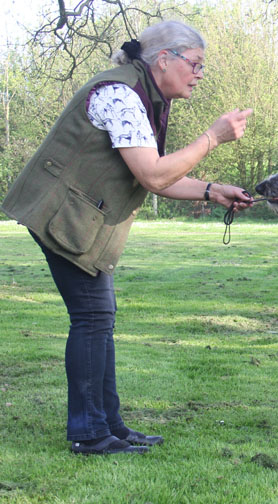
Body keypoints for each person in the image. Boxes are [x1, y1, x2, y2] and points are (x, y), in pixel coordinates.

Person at [1, 20, 253, 455]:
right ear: (163, 60)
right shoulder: (119, 94)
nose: (198, 74)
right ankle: (90, 433)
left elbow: (158, 175)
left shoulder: (140, 95)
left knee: (100, 317)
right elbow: (153, 174)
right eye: (195, 64)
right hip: (60, 217)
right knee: (94, 317)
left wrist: (212, 192)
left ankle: (108, 425)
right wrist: (212, 137)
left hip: (78, 218)